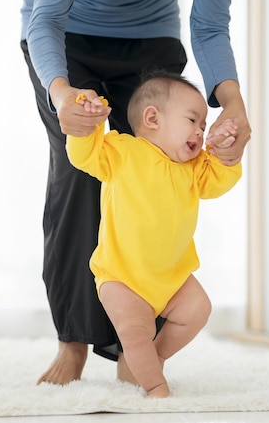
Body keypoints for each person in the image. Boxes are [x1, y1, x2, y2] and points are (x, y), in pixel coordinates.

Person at [19, 0, 252, 386]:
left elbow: (210, 25)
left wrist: (234, 104)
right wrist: (61, 95)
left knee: (163, 168)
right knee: (77, 175)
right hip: (65, 34)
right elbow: (47, 19)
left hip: (150, 40)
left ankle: (138, 348)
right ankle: (72, 340)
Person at [67, 71, 241, 397]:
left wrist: (226, 153)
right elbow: (83, 155)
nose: (200, 132)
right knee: (135, 332)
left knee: (198, 310)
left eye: (204, 126)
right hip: (122, 277)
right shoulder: (123, 151)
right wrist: (88, 120)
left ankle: (155, 355)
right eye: (193, 120)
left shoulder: (194, 167)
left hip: (172, 278)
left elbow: (219, 182)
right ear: (152, 118)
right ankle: (156, 386)